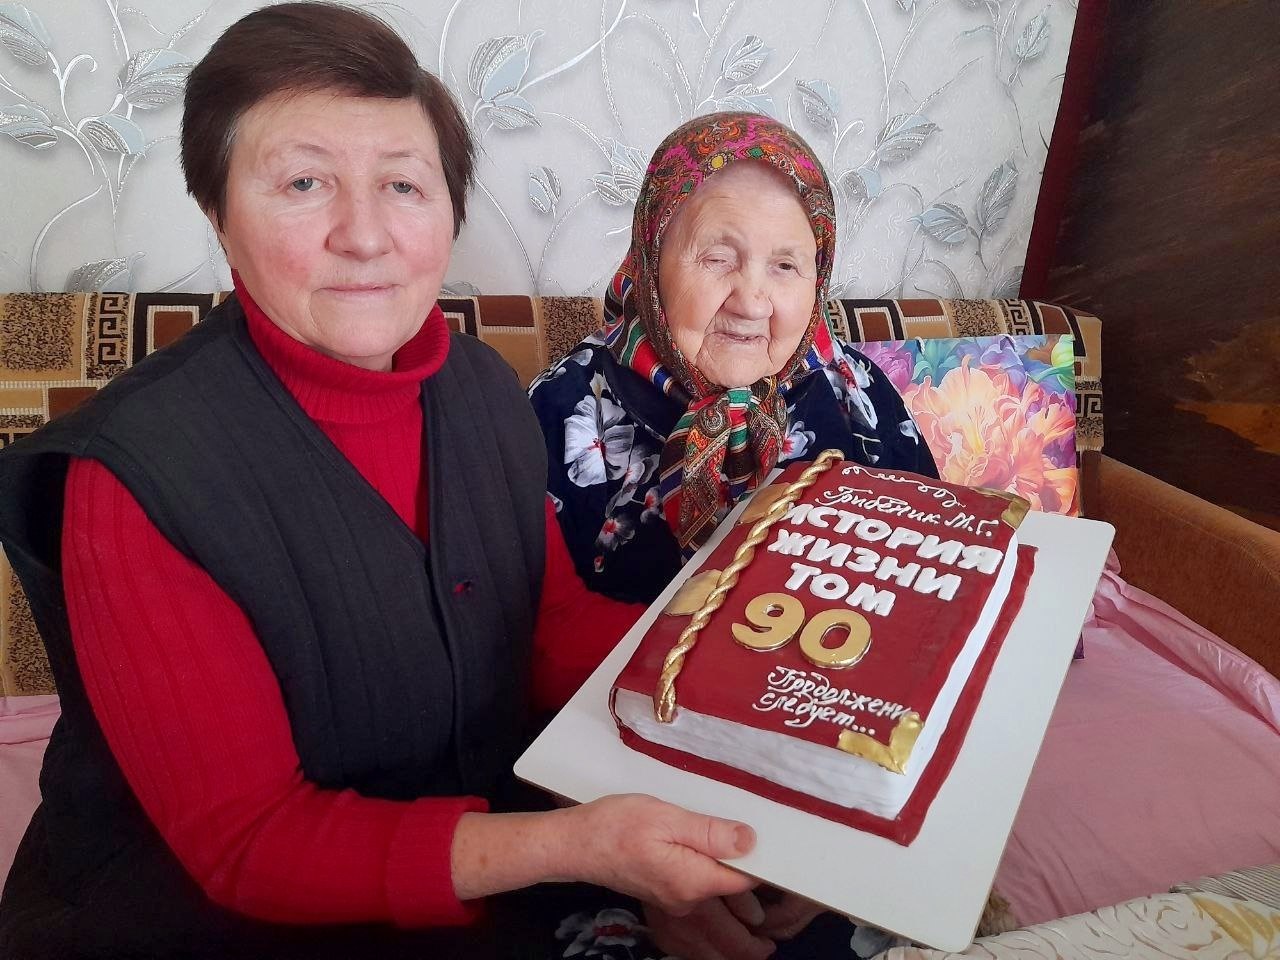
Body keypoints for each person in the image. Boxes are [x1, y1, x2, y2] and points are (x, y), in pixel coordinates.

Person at [0, 7, 765, 959]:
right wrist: (575, 846)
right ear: (218, 214)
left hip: (483, 866)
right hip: (202, 922)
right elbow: (248, 844)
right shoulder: (133, 478)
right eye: (304, 183)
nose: (364, 236)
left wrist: (739, 693)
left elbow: (546, 626)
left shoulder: (483, 389)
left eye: (403, 184)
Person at [531, 112, 937, 609]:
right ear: (651, 261)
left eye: (785, 265)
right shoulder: (558, 409)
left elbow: (930, 572)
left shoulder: (858, 392)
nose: (750, 303)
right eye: (717, 258)